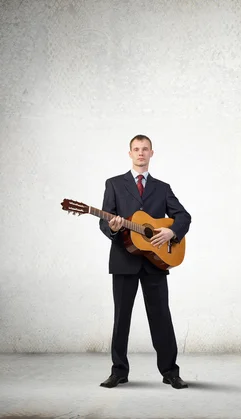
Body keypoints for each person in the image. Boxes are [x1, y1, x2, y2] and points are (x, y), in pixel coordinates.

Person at [98, 134, 192, 389]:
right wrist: (115, 228)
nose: (141, 153)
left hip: (155, 261)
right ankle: (119, 371)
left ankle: (170, 371)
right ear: (130, 153)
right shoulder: (114, 184)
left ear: (152, 153)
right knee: (122, 318)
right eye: (136, 149)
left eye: (145, 149)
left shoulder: (162, 188)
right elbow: (104, 222)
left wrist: (172, 232)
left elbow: (183, 216)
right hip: (123, 260)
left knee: (161, 316)